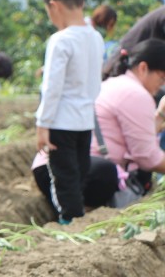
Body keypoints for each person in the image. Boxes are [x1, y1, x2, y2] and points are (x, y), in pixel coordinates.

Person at [33, 39, 165, 209]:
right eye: (162, 78)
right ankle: (80, 212)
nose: (162, 86)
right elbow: (147, 157)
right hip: (75, 174)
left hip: (51, 170)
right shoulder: (136, 94)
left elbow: (141, 144)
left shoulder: (118, 84)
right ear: (143, 68)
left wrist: (160, 115)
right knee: (109, 172)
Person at [31, 0, 104, 224]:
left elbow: (51, 87)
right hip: (85, 122)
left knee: (64, 181)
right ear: (81, 2)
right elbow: (96, 83)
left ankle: (69, 226)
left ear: (54, 6)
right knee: (78, 176)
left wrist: (42, 124)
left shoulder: (60, 40)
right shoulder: (96, 37)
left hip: (61, 123)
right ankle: (77, 221)